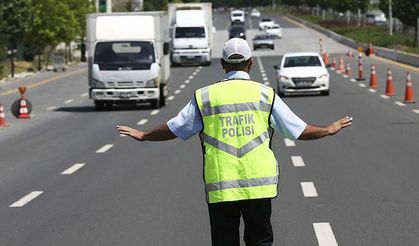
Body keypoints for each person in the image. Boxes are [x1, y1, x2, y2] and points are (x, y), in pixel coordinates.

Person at [117, 38, 353, 246]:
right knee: (260, 241)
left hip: (221, 186)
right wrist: (328, 129)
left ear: (222, 65)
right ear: (250, 63)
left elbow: (176, 128)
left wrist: (144, 135)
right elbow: (298, 131)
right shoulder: (265, 94)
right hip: (259, 186)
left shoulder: (206, 96)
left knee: (224, 241)